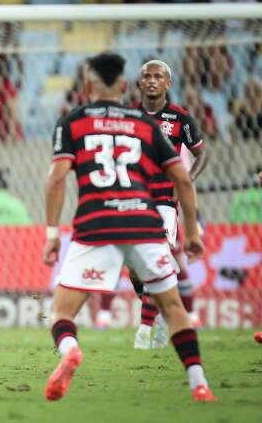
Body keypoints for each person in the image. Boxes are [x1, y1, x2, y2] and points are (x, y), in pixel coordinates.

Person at [42, 53, 215, 402]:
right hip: (144, 220)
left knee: (61, 312)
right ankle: (199, 383)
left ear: (88, 86)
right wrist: (193, 233)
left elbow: (55, 180)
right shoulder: (145, 124)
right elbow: (182, 178)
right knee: (174, 307)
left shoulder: (71, 122)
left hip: (95, 223)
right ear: (125, 86)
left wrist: (51, 234)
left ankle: (71, 351)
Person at [132, 60, 208, 349]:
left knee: (154, 260)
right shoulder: (129, 116)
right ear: (139, 83)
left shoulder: (180, 118)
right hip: (133, 199)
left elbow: (202, 154)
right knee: (134, 268)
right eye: (146, 76)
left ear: (168, 83)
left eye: (158, 76)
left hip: (164, 200)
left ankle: (144, 331)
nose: (152, 80)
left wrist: (185, 181)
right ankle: (162, 310)